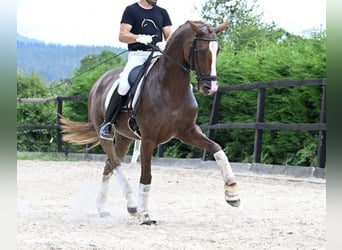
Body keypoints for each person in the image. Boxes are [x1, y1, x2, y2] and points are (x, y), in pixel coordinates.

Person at [99, 0, 173, 140]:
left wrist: (166, 43)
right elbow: (122, 35)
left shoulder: (162, 12)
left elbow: (169, 34)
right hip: (138, 55)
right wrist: (138, 37)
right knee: (123, 85)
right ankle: (107, 123)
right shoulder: (131, 10)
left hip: (157, 54)